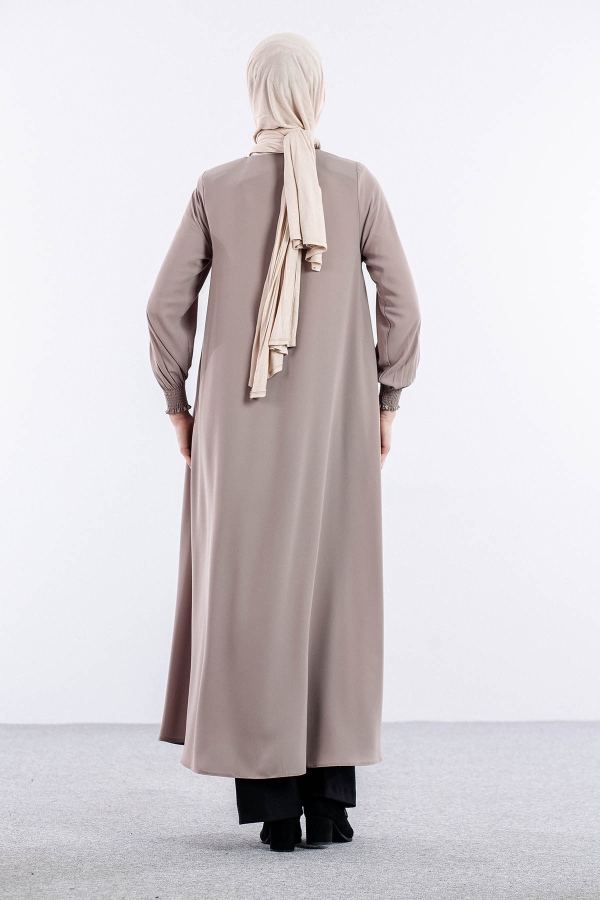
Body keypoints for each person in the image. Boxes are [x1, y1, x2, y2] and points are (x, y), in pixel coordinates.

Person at [146, 32, 421, 853]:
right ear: (317, 94)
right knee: (335, 595)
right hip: (337, 424)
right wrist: (387, 398)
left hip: (237, 424)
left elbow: (164, 307)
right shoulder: (355, 184)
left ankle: (274, 812)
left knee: (250, 596)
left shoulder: (215, 187)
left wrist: (177, 405)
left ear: (255, 93)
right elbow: (403, 305)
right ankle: (331, 804)